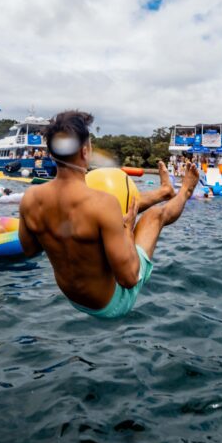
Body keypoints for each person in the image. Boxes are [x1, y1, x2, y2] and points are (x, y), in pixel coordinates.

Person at [19, 110, 198, 319]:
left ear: (51, 153)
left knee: (113, 210)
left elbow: (30, 251)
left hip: (73, 297)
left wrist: (60, 232)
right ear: (85, 151)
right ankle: (185, 191)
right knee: (153, 217)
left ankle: (164, 192)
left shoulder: (30, 198)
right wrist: (127, 232)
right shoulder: (102, 204)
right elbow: (129, 278)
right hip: (111, 303)